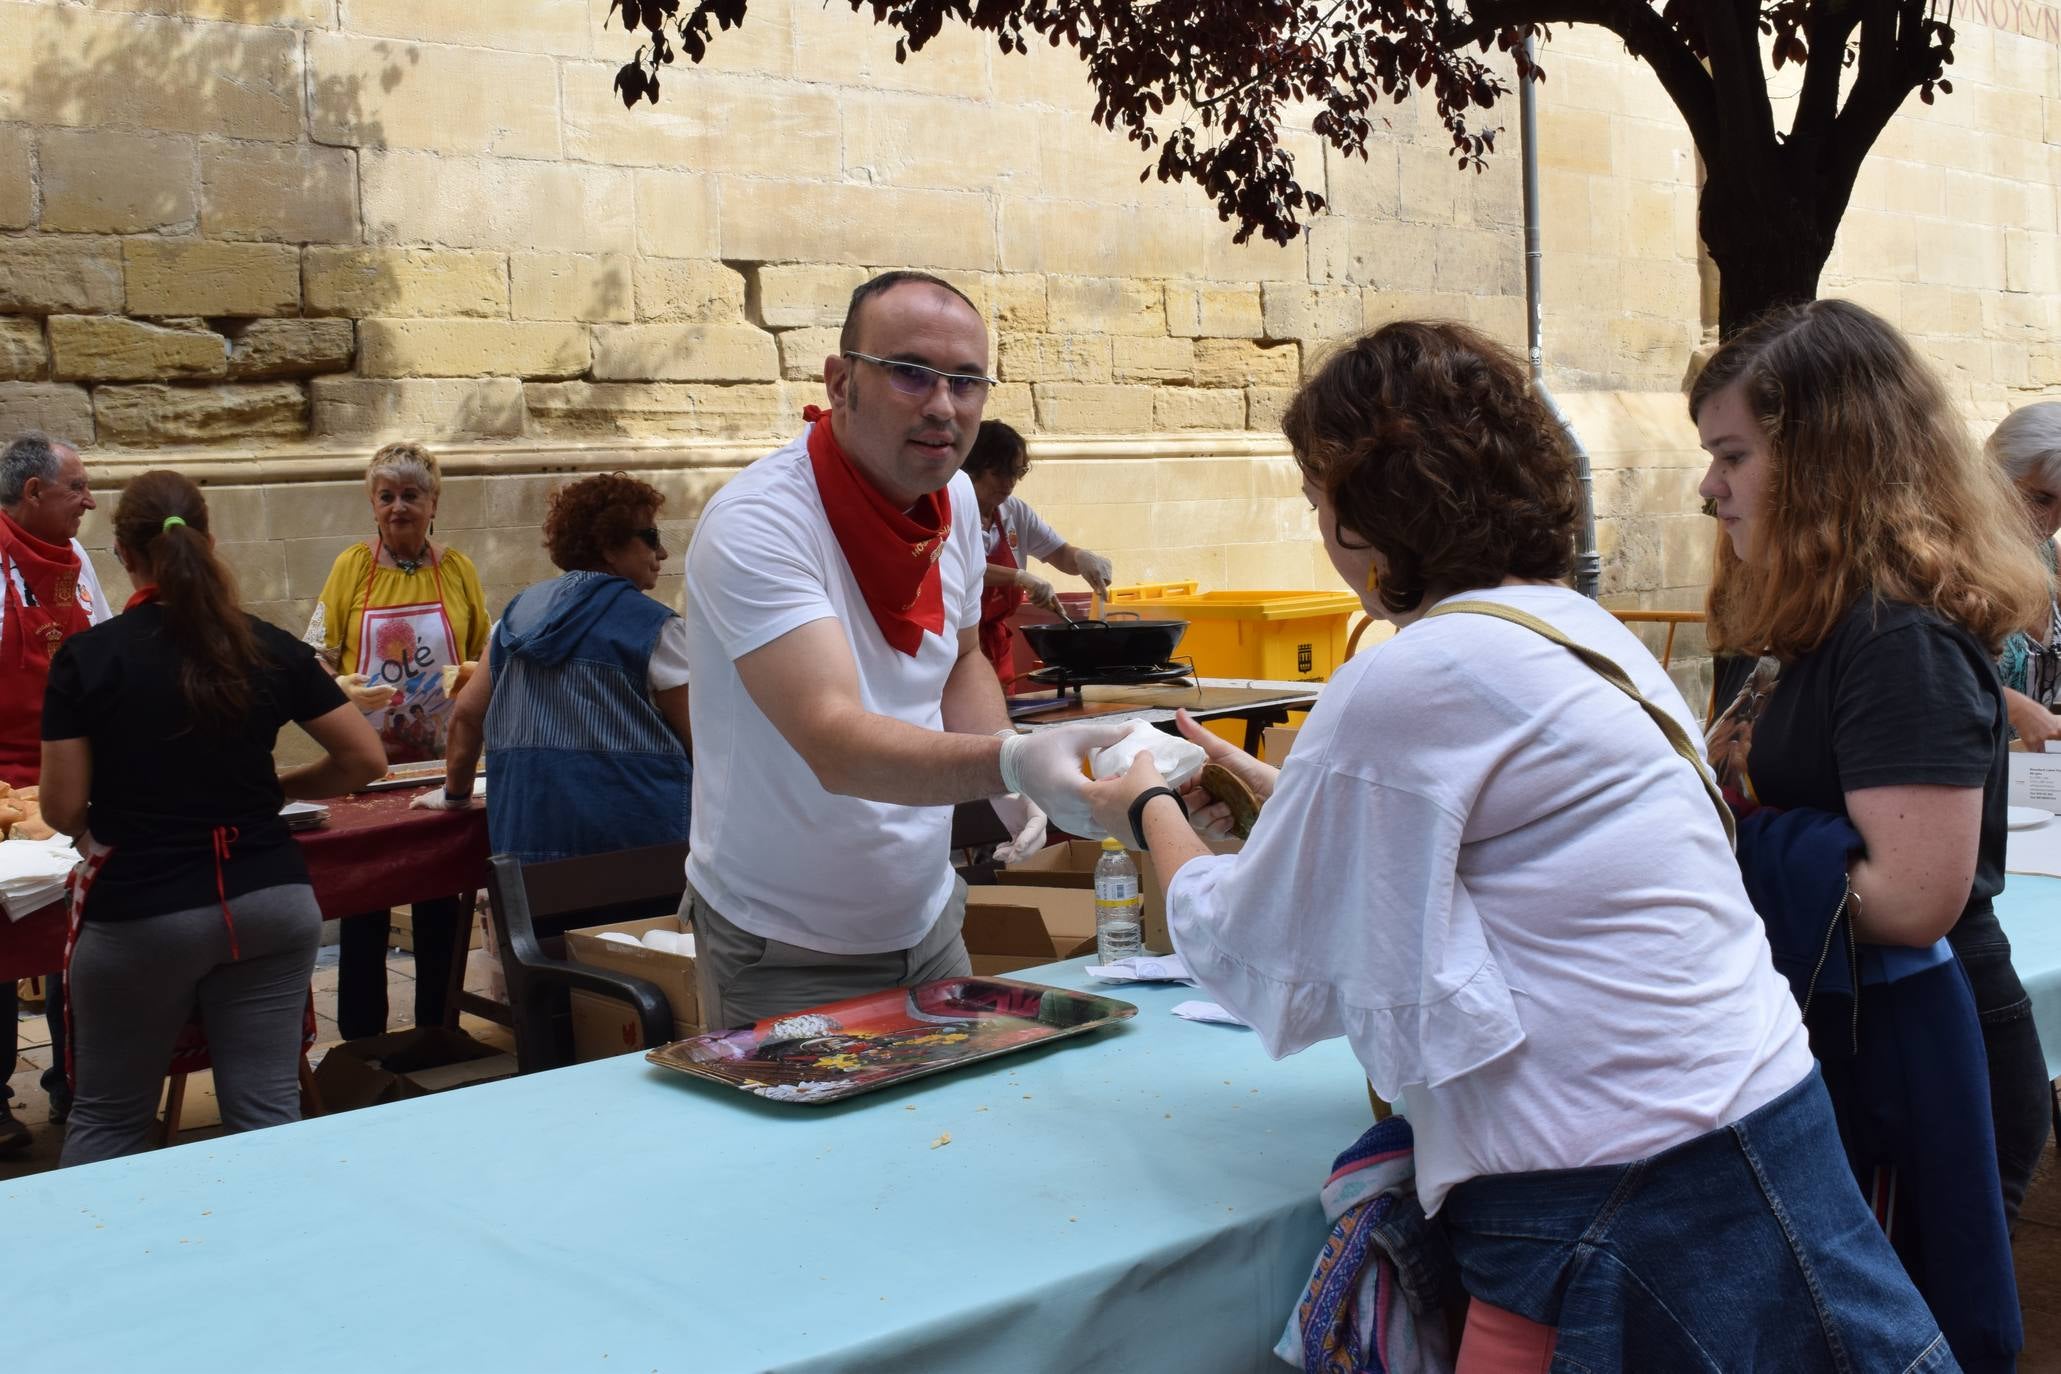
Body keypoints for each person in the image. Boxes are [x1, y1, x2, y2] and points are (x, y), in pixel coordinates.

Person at [1083, 321, 1950, 1370]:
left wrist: (1144, 808)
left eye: (1320, 498)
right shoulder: (1570, 626)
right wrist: (1304, 810)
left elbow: (1256, 961)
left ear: (1373, 508)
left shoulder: (1415, 672)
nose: (1321, 526)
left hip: (1623, 1185)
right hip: (1743, 1133)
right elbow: (1515, 862)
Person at [681, 270, 1128, 1030]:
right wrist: (1012, 762)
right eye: (911, 373)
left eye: (965, 382)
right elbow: (834, 743)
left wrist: (1006, 769)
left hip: (928, 924)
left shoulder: (951, 498)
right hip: (784, 947)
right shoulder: (760, 524)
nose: (942, 406)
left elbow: (958, 659)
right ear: (841, 380)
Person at [1693, 300, 2052, 1230]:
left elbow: (1909, 900)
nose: (1708, 486)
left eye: (1733, 456)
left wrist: (1705, 855)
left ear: (1824, 463)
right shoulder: (1812, 620)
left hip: (1920, 1063)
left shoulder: (1899, 639)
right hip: (1857, 1037)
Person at [38, 471, 385, 1165]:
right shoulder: (266, 645)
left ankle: (103, 1270)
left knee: (109, 1120)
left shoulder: (89, 658)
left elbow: (63, 808)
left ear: (124, 553)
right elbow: (364, 760)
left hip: (144, 909)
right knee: (265, 1117)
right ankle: (275, 1266)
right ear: (210, 542)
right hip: (269, 898)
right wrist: (280, 787)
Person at [311, 442, 490, 1040]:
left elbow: (486, 656)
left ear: (434, 501)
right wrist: (339, 689)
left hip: (441, 768)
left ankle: (440, 1029)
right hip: (365, 771)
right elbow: (312, 659)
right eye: (385, 496)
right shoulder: (349, 569)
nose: (397, 508)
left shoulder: (458, 568)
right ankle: (364, 1041)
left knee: (441, 900)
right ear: (371, 503)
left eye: (410, 495)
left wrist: (465, 674)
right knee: (364, 903)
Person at [425, 472, 692, 865]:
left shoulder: (512, 621)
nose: (663, 553)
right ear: (608, 545)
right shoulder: (658, 629)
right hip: (641, 854)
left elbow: (466, 715)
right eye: (650, 537)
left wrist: (455, 796)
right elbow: (706, 745)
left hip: (527, 848)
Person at [0, 431, 108, 1154]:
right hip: (5, 790)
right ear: (35, 493)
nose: (89, 501)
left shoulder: (79, 560)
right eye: (77, 488)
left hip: (75, 782)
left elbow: (104, 649)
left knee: (86, 934)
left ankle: (77, 1081)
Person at [959, 420, 1116, 684]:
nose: (1009, 483)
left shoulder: (1015, 511)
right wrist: (1019, 577)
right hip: (959, 640)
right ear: (974, 469)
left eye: (1016, 473)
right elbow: (963, 568)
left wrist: (1081, 558)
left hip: (996, 642)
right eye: (999, 473)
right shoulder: (952, 509)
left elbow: (1059, 553)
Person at [1989, 400, 2061, 749]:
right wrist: (2014, 705)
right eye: (2040, 498)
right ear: (1995, 477)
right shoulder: (1946, 561)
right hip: (1956, 780)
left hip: (2032, 787)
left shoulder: (2051, 556)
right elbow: (1918, 676)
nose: (2051, 522)